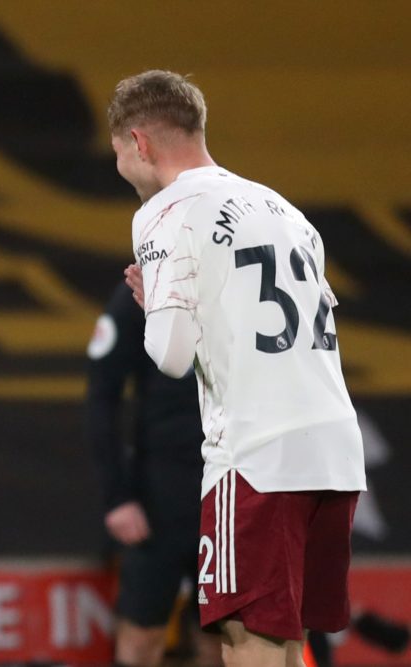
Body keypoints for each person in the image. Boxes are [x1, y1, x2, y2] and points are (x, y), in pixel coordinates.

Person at [109, 70, 366, 666]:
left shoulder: (165, 211)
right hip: (333, 449)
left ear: (139, 142)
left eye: (119, 151)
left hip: (256, 454)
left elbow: (170, 357)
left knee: (247, 638)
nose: (121, 166)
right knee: (288, 639)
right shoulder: (285, 209)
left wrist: (157, 307)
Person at [86, 281, 220, 667]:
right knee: (143, 633)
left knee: (223, 637)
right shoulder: (143, 288)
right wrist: (117, 496)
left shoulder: (238, 277)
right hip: (161, 492)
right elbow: (101, 394)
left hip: (229, 483)